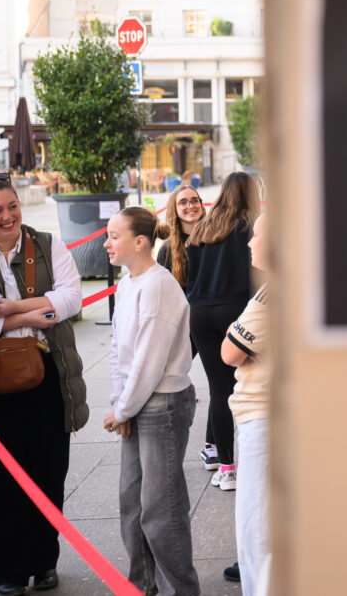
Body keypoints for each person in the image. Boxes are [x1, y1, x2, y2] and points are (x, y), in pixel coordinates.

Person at [0, 167, 88, 595]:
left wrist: (9, 309)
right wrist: (28, 317)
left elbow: (71, 299)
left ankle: (44, 562)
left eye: (12, 206)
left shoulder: (47, 244)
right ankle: (6, 573)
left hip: (48, 375)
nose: (7, 216)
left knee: (49, 472)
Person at [103, 207, 200, 595]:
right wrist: (121, 403)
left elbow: (149, 359)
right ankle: (142, 585)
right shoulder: (127, 284)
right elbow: (118, 348)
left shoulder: (158, 286)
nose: (107, 243)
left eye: (114, 236)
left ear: (140, 242)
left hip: (163, 405)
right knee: (133, 504)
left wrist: (123, 408)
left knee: (162, 510)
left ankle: (181, 590)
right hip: (137, 400)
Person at [185, 171, 258, 492]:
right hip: (236, 311)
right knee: (247, 386)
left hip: (200, 314)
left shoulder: (202, 228)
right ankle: (256, 460)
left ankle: (226, 467)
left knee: (218, 388)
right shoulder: (250, 226)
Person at [221, 213, 272, 593]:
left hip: (264, 417)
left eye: (257, 235)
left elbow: (229, 352)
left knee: (256, 527)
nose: (250, 242)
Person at [156, 184, 219, 470]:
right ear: (174, 208)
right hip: (181, 325)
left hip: (209, 322)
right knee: (166, 381)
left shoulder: (215, 238)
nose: (191, 205)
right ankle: (161, 444)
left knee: (220, 384)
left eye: (195, 200)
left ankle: (213, 445)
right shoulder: (168, 249)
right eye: (183, 202)